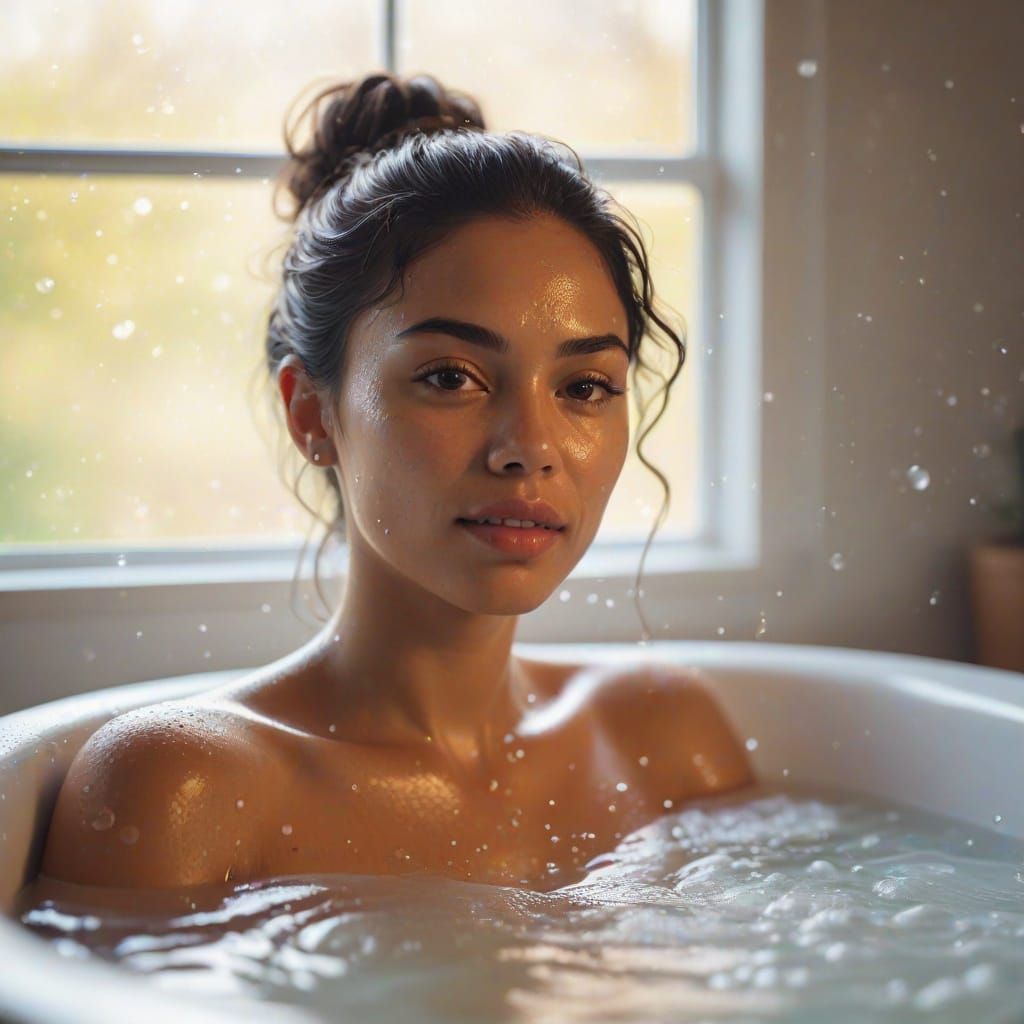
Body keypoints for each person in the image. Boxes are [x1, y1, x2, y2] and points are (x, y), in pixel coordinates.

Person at [39, 71, 755, 893]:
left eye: (584, 387)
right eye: (452, 377)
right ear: (311, 413)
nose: (530, 448)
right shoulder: (184, 789)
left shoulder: (664, 739)